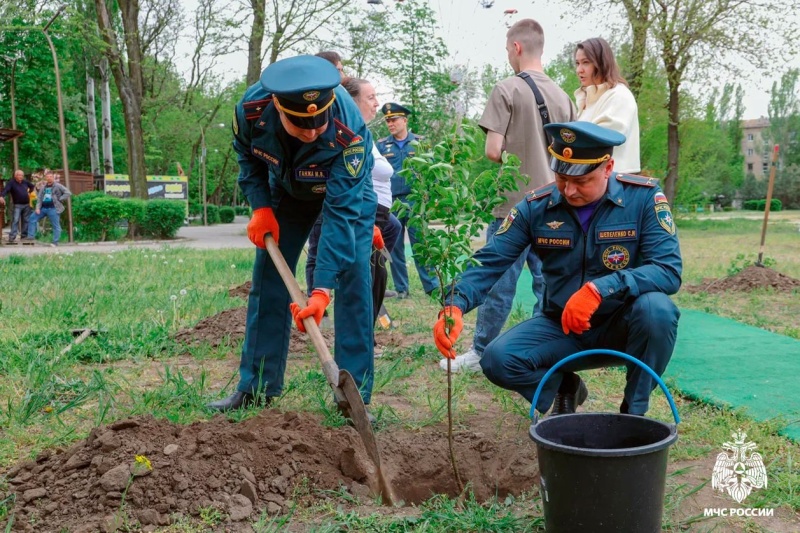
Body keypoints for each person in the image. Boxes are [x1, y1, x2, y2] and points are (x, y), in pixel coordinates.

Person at [432, 121, 682, 416]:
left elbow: (667, 270)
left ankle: (633, 413)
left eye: (582, 180)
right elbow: (491, 260)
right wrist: (455, 304)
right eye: (562, 177)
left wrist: (600, 289)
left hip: (624, 324)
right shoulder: (536, 207)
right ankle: (566, 387)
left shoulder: (643, 199)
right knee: (497, 360)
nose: (570, 190)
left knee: (658, 310)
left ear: (608, 167)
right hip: (561, 326)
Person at [207, 55, 379, 422]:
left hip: (348, 196)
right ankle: (256, 386)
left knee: (352, 280)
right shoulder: (251, 110)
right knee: (269, 278)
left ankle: (354, 399)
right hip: (287, 191)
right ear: (277, 108)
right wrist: (260, 207)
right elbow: (247, 158)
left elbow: (340, 215)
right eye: (302, 126)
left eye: (319, 125)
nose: (313, 132)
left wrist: (320, 291)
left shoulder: (350, 132)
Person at [442, 18, 576, 373]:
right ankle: (545, 350)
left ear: (516, 47)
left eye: (506, 49)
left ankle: (481, 351)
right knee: (547, 282)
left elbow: (492, 149)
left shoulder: (506, 89)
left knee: (499, 279)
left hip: (515, 204)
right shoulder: (564, 96)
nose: (507, 55)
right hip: (557, 203)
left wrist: (519, 155)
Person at [341, 77, 402, 355]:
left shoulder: (364, 133)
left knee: (377, 275)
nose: (376, 102)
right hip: (367, 214)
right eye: (370, 97)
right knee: (370, 276)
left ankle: (366, 337)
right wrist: (367, 219)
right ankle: (362, 340)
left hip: (379, 217)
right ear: (353, 101)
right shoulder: (350, 133)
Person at [377, 103, 439, 299]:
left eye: (394, 119)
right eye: (387, 120)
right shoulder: (381, 145)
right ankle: (402, 289)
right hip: (392, 202)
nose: (390, 124)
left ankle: (432, 287)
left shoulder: (420, 143)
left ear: (405, 120)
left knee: (421, 244)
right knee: (395, 247)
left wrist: (430, 200)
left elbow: (431, 174)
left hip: (415, 201)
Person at [305, 51, 347, 297]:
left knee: (328, 246)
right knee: (317, 248)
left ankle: (321, 293)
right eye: (340, 69)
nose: (345, 74)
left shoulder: (342, 110)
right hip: (317, 190)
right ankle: (315, 294)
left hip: (337, 190)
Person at [574, 37, 640, 173]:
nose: (579, 70)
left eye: (585, 63)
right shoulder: (588, 98)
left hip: (615, 183)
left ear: (601, 63)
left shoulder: (619, 96)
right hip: (589, 182)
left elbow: (599, 143)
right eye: (577, 63)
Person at [27, 170, 71, 246]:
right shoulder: (43, 187)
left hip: (53, 208)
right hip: (43, 208)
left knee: (55, 226)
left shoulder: (58, 186)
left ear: (53, 177)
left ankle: (55, 242)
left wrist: (60, 199)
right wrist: (37, 208)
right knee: (32, 218)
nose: (49, 178)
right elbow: (39, 198)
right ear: (46, 178)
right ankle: (31, 237)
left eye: (51, 177)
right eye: (47, 177)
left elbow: (68, 193)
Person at [0, 169, 35, 243]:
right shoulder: (11, 182)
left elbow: (32, 186)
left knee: (26, 220)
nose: (21, 176)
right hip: (17, 205)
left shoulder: (25, 182)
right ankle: (12, 237)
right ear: (15, 176)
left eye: (22, 175)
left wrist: (30, 192)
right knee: (15, 220)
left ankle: (24, 236)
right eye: (19, 175)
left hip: (26, 205)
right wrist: (1, 196)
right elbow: (5, 190)